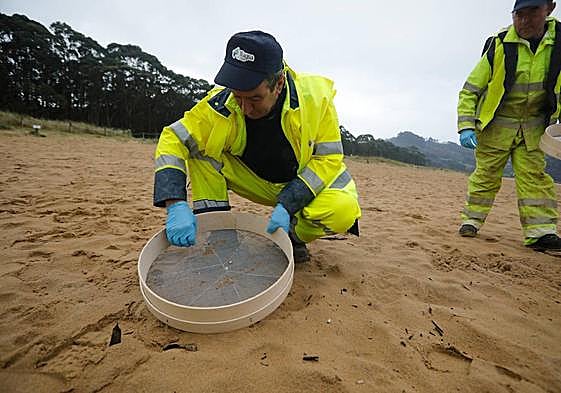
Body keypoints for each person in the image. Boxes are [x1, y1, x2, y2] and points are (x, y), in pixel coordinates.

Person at [153, 31, 361, 263]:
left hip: (301, 182)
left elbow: (328, 159)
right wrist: (175, 203)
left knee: (342, 210)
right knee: (199, 148)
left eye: (254, 98)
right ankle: (220, 234)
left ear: (278, 83)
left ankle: (293, 236)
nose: (244, 108)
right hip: (255, 182)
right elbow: (173, 138)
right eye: (237, 96)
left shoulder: (316, 98)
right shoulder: (220, 104)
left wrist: (288, 204)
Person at [457, 0, 561, 251]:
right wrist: (466, 125)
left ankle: (542, 232)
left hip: (535, 129)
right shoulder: (500, 44)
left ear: (549, 8)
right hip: (495, 126)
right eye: (519, 14)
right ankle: (471, 220)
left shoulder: (559, 44)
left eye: (532, 13)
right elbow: (470, 89)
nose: (524, 21)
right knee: (485, 176)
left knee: (534, 177)